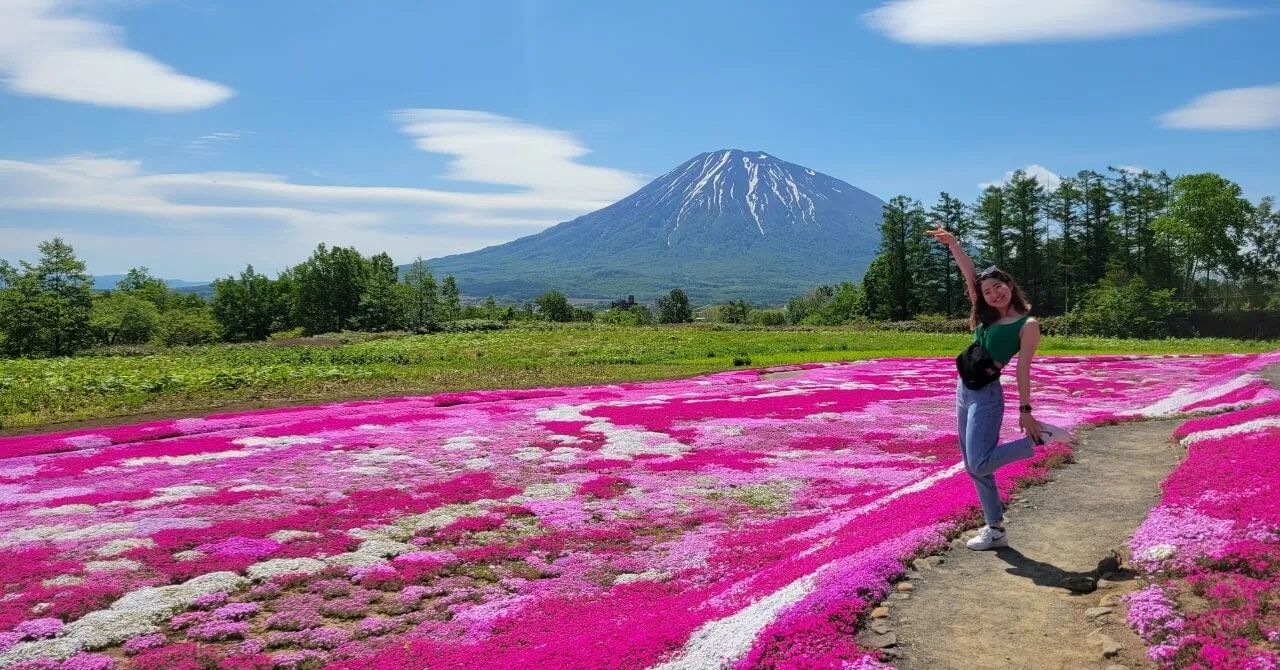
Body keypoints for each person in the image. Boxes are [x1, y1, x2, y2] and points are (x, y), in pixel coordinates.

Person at [926, 223, 1070, 550]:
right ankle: (996, 530)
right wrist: (953, 244)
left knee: (979, 462)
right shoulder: (986, 312)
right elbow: (969, 273)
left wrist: (1026, 411)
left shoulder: (1027, 324)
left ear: (1009, 283)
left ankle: (1039, 439)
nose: (994, 294)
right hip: (964, 390)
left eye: (998, 287)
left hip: (987, 396)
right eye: (988, 291)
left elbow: (1022, 369)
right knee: (974, 466)